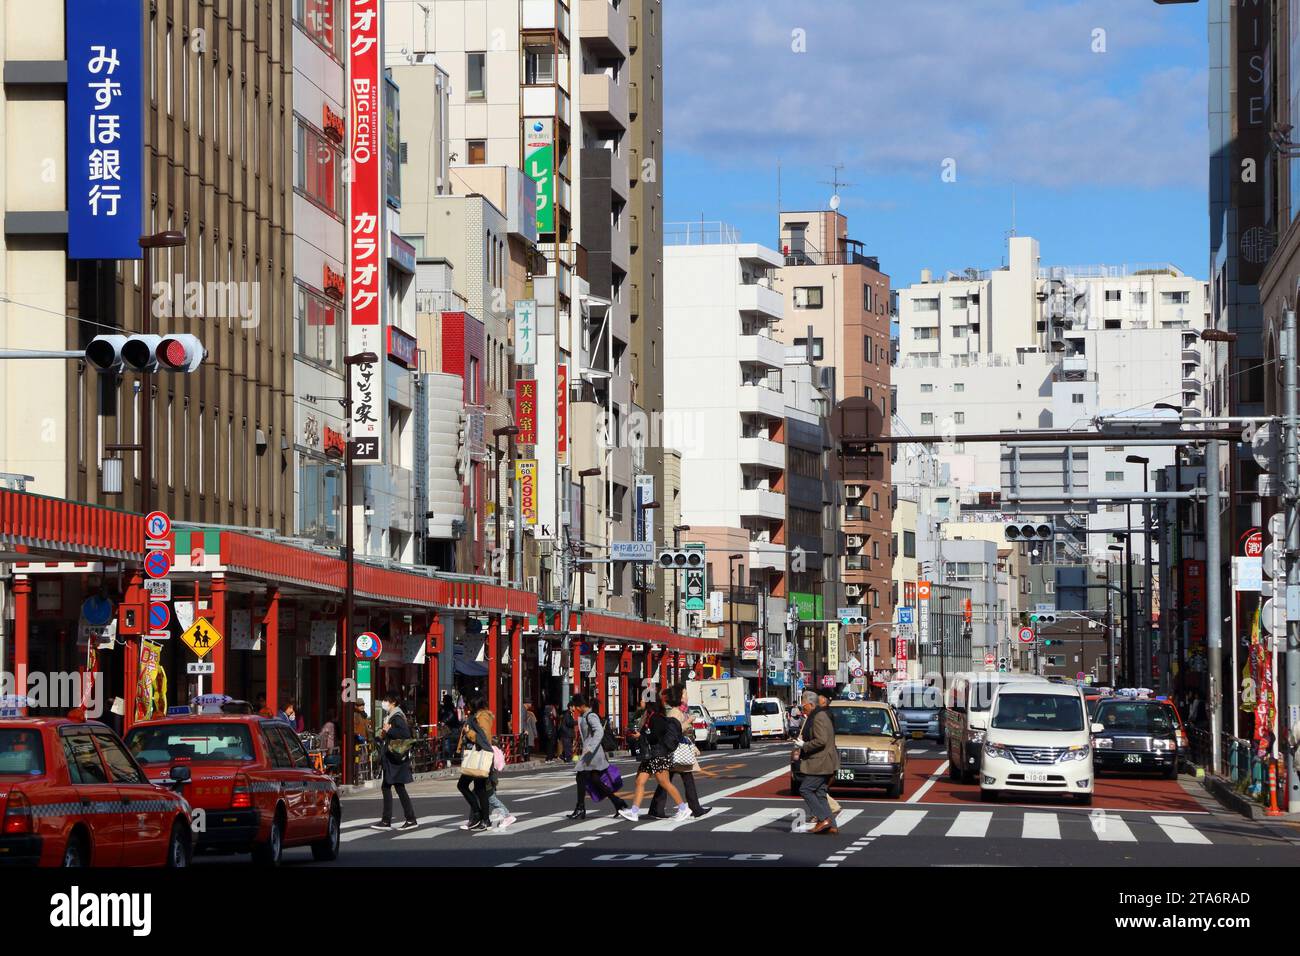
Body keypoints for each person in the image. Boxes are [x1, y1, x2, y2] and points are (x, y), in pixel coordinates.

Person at [618, 700, 691, 823]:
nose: (640, 701)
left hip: (658, 755)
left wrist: (640, 736)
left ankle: (683, 808)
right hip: (650, 755)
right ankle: (634, 812)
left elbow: (655, 736)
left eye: (642, 699)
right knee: (639, 781)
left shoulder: (657, 718)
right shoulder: (648, 716)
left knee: (665, 782)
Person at [649, 684, 711, 819]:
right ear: (680, 697)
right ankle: (695, 809)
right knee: (680, 779)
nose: (687, 696)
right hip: (675, 751)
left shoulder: (680, 711)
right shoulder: (675, 713)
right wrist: (688, 721)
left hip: (677, 750)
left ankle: (656, 809)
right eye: (685, 693)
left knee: (668, 780)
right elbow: (674, 731)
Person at [568, 694, 628, 819]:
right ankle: (618, 802)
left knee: (581, 777)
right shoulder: (584, 716)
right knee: (595, 780)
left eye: (575, 706)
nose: (573, 708)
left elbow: (599, 731)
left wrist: (590, 747)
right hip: (591, 753)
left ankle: (580, 808)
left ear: (580, 706)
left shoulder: (591, 716)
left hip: (592, 754)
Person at [369, 693, 418, 830]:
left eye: (387, 701)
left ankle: (391, 820)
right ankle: (406, 819)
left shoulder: (396, 717)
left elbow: (404, 734)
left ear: (394, 703)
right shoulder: (393, 716)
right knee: (396, 787)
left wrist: (389, 730)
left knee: (391, 787)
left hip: (395, 758)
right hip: (394, 757)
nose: (384, 703)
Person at [793, 690, 840, 834]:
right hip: (826, 761)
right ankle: (831, 825)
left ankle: (823, 818)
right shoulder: (820, 715)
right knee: (820, 792)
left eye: (804, 706)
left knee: (805, 789)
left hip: (821, 762)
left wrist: (804, 745)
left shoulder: (818, 717)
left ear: (811, 704)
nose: (802, 709)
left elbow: (821, 740)